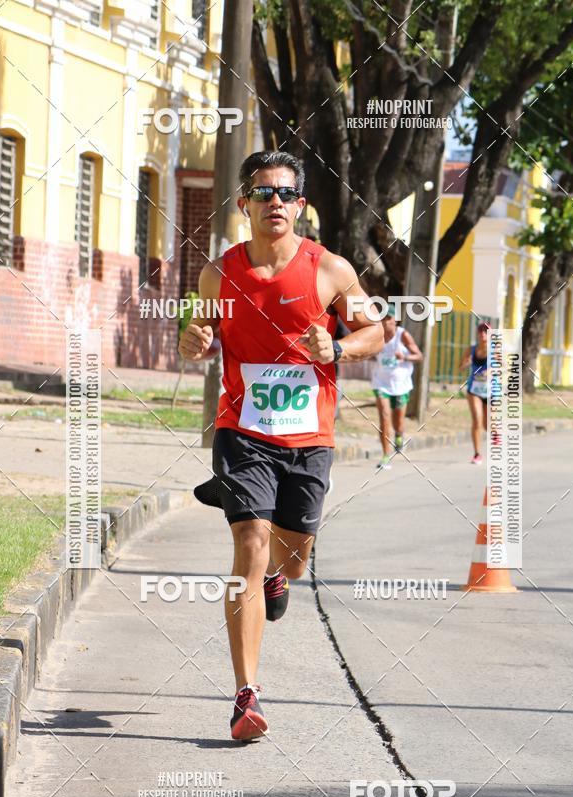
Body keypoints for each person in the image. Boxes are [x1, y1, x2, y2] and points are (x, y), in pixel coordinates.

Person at [179, 150, 383, 741]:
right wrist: (194, 340)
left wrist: (339, 350)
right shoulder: (219, 274)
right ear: (243, 203)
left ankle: (279, 576)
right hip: (242, 431)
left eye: (287, 193)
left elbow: (373, 329)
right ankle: (246, 695)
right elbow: (201, 332)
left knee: (291, 560)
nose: (276, 202)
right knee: (250, 543)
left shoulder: (330, 271)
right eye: (264, 192)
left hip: (309, 440)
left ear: (300, 205)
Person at [370, 308, 422, 468]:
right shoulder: (376, 336)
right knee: (384, 416)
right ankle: (386, 455)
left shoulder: (403, 335)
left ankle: (399, 435)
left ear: (395, 321)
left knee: (398, 422)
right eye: (382, 318)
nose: (385, 322)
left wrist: (405, 357)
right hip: (381, 384)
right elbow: (368, 353)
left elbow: (419, 356)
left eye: (388, 318)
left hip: (400, 385)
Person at [459, 321, 490, 464]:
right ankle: (477, 454)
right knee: (477, 420)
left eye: (486, 331)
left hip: (491, 391)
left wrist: (494, 371)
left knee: (488, 425)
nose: (483, 334)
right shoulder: (471, 350)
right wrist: (467, 363)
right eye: (480, 331)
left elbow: (506, 367)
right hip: (474, 391)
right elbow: (460, 367)